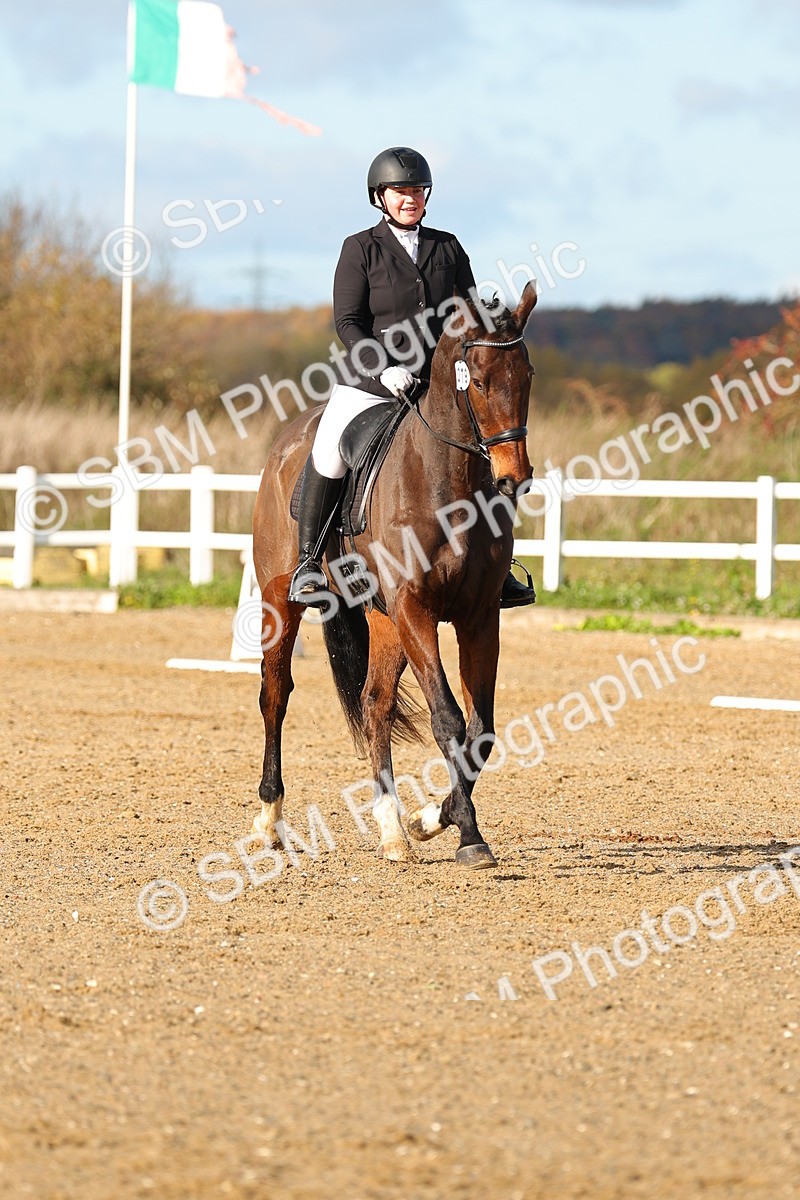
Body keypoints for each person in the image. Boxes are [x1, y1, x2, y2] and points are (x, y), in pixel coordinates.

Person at [288, 145, 536, 608]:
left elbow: (469, 314)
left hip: (437, 386)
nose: (410, 198)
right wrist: (383, 367)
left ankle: (497, 568)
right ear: (379, 197)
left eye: (418, 191)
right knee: (328, 451)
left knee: (490, 450)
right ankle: (307, 562)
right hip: (370, 382)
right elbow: (348, 322)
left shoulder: (447, 247)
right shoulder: (360, 248)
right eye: (400, 191)